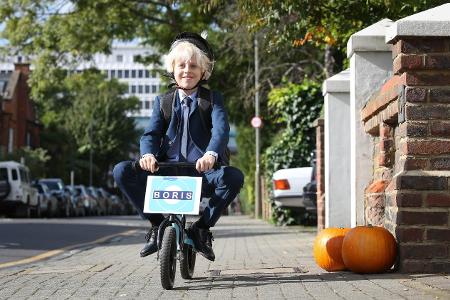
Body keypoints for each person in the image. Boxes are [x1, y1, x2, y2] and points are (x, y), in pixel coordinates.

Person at [113, 32, 244, 262]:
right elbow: (151, 133)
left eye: (193, 66)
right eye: (181, 65)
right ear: (172, 69)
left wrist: (211, 155)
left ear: (203, 71)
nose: (187, 70)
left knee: (233, 177)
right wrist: (148, 155)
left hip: (202, 171)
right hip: (166, 169)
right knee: (121, 170)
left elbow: (221, 130)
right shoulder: (163, 101)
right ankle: (156, 226)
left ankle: (201, 229)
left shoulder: (213, 99)